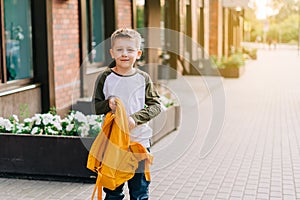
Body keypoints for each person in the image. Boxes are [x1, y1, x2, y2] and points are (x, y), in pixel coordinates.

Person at [92, 28, 161, 200]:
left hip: (139, 142)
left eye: (130, 50)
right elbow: (94, 107)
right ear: (112, 52)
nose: (125, 54)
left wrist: (135, 119)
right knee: (113, 191)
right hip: (113, 144)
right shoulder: (105, 77)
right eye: (120, 49)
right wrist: (107, 104)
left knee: (139, 192)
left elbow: (156, 105)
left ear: (138, 53)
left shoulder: (143, 78)